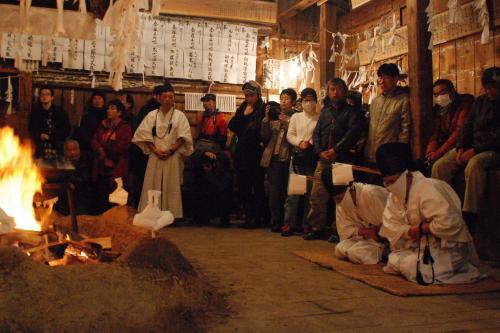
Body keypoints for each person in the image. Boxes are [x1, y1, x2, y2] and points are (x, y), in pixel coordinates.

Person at [377, 142, 480, 284]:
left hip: (447, 250)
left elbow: (451, 223)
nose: (390, 186)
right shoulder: (394, 194)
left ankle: (461, 269)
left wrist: (425, 228)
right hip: (418, 248)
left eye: (393, 181)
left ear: (407, 175)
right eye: (386, 182)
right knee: (394, 261)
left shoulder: (428, 187)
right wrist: (410, 231)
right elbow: (390, 226)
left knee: (413, 268)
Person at [432, 67, 500, 232]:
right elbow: (466, 126)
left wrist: (475, 150)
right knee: (440, 166)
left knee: (475, 165)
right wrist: (461, 147)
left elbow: (497, 137)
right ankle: (442, 211)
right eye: (487, 87)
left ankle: (469, 215)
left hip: (493, 149)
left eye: (493, 87)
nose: (489, 91)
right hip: (472, 146)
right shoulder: (480, 102)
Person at [304, 78, 364, 240]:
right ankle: (317, 227)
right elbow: (316, 133)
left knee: (342, 196)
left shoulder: (353, 112)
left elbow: (352, 134)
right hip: (323, 159)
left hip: (343, 159)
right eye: (332, 89)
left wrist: (336, 150)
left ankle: (341, 229)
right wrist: (319, 152)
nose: (335, 92)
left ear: (344, 91)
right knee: (317, 195)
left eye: (338, 89)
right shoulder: (325, 112)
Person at [132, 83, 194, 218]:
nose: (167, 99)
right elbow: (144, 135)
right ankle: (151, 213)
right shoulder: (151, 115)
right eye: (164, 97)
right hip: (156, 154)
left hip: (173, 154)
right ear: (159, 98)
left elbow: (184, 136)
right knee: (152, 183)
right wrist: (155, 150)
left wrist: (172, 150)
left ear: (173, 99)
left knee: (172, 185)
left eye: (170, 97)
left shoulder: (179, 116)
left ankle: (172, 214)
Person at [321, 166, 389, 264]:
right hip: (365, 240)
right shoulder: (341, 203)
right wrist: (362, 231)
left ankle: (385, 253)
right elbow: (344, 230)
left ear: (351, 189)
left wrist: (377, 232)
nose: (339, 203)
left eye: (340, 198)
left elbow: (392, 223)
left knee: (356, 253)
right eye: (335, 199)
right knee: (340, 249)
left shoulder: (372, 193)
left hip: (383, 241)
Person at [364, 63, 411, 184]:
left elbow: (405, 130)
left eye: (386, 77)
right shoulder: (375, 101)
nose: (382, 81)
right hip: (370, 154)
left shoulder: (403, 100)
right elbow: (369, 126)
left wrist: (399, 154)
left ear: (396, 79)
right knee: (370, 192)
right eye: (380, 77)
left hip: (389, 156)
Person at [228, 80, 267, 229]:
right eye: (246, 95)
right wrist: (243, 115)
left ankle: (257, 217)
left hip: (256, 153)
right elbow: (232, 126)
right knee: (243, 186)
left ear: (258, 95)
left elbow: (262, 132)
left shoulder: (264, 108)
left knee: (257, 186)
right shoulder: (244, 107)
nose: (248, 98)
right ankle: (248, 216)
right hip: (242, 152)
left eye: (251, 95)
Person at [282, 88, 319, 237]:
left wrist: (309, 143)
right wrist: (299, 143)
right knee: (294, 194)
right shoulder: (296, 117)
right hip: (297, 158)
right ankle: (289, 223)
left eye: (311, 100)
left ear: (316, 101)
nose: (308, 103)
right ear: (301, 101)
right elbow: (290, 135)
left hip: (312, 158)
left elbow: (320, 135)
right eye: (305, 100)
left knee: (311, 195)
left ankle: (307, 224)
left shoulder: (320, 117)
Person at [415, 80, 473, 175]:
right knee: (419, 165)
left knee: (439, 166)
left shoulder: (464, 103)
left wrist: (438, 153)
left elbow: (458, 133)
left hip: (461, 145)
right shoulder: (439, 110)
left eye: (442, 92)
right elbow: (435, 133)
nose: (439, 97)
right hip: (444, 147)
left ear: (452, 91)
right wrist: (431, 151)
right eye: (436, 95)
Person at [191, 93, 231, 226]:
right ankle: (201, 216)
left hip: (215, 150)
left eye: (208, 101)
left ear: (214, 102)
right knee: (200, 183)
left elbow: (223, 139)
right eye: (204, 102)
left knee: (218, 183)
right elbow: (197, 135)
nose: (205, 104)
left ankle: (222, 217)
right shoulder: (202, 117)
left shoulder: (221, 118)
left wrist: (212, 152)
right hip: (201, 149)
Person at [260, 89, 297, 232]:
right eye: (281, 98)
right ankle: (275, 221)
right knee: (273, 192)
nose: (283, 101)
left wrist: (286, 122)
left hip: (288, 158)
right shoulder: (274, 116)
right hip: (273, 158)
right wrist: (266, 120)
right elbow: (264, 136)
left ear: (293, 102)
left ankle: (287, 222)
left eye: (287, 99)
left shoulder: (296, 117)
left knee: (288, 192)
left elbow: (296, 135)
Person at [91, 99, 133, 214]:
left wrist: (108, 151)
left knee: (115, 192)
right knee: (101, 192)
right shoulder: (103, 124)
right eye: (108, 108)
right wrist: (100, 149)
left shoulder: (125, 127)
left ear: (119, 112)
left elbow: (124, 144)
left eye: (112, 108)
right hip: (101, 165)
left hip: (117, 164)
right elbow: (95, 139)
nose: (109, 110)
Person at [128, 85, 163, 209]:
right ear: (155, 96)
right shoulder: (147, 109)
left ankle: (157, 207)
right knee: (144, 180)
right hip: (145, 150)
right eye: (160, 95)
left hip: (162, 150)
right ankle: (142, 206)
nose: (163, 98)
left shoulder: (167, 110)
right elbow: (141, 131)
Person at [29, 86, 70, 161]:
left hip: (56, 146)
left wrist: (50, 136)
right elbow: (31, 128)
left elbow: (66, 130)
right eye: (42, 94)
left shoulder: (59, 112)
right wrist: (39, 135)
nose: (44, 96)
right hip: (39, 147)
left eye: (47, 94)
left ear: (52, 97)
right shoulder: (35, 112)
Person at [55, 139, 93, 215]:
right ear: (65, 152)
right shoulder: (61, 162)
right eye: (69, 150)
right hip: (64, 199)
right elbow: (58, 178)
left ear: (79, 150)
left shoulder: (85, 161)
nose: (72, 152)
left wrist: (69, 180)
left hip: (81, 198)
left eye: (74, 149)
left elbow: (84, 180)